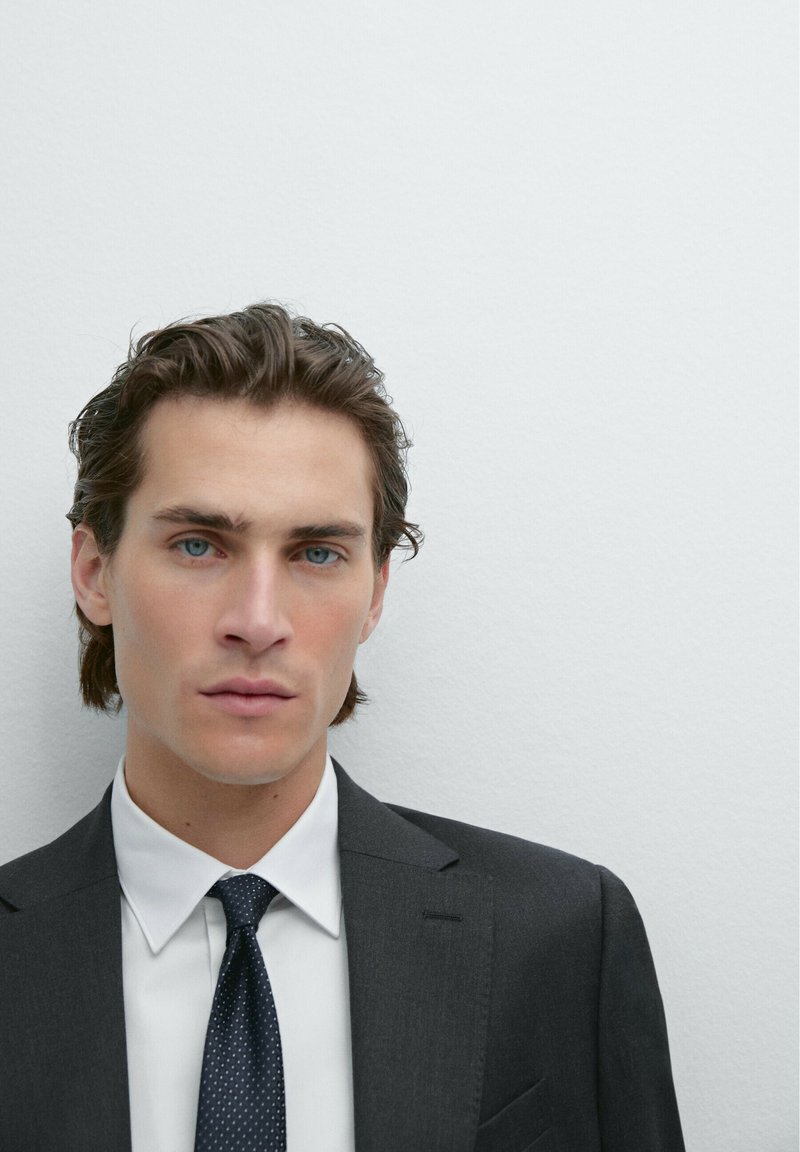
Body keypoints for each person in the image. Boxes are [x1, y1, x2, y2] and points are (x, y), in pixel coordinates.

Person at [0, 303, 685, 1151]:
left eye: (317, 553)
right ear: (94, 573)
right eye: (199, 545)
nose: (258, 622)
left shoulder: (563, 935)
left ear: (375, 594)